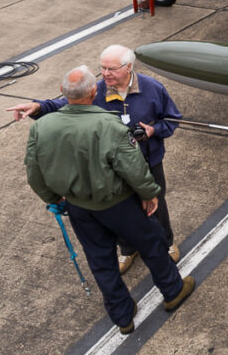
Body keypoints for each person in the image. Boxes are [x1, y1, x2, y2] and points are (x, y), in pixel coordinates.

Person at [24, 65, 194, 334]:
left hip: (79, 206)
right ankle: (173, 290)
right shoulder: (108, 124)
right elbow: (133, 167)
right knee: (152, 243)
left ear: (62, 93)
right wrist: (149, 193)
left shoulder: (41, 126)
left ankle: (122, 316)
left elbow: (34, 173)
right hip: (119, 204)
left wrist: (56, 199)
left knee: (100, 260)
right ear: (94, 92)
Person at [9, 44, 182, 274]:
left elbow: (172, 118)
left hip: (148, 162)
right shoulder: (96, 90)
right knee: (122, 211)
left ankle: (166, 243)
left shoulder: (153, 88)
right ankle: (128, 249)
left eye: (111, 69)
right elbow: (61, 104)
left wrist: (154, 131)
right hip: (112, 168)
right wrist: (38, 106)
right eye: (102, 68)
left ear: (128, 67)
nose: (106, 74)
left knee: (155, 204)